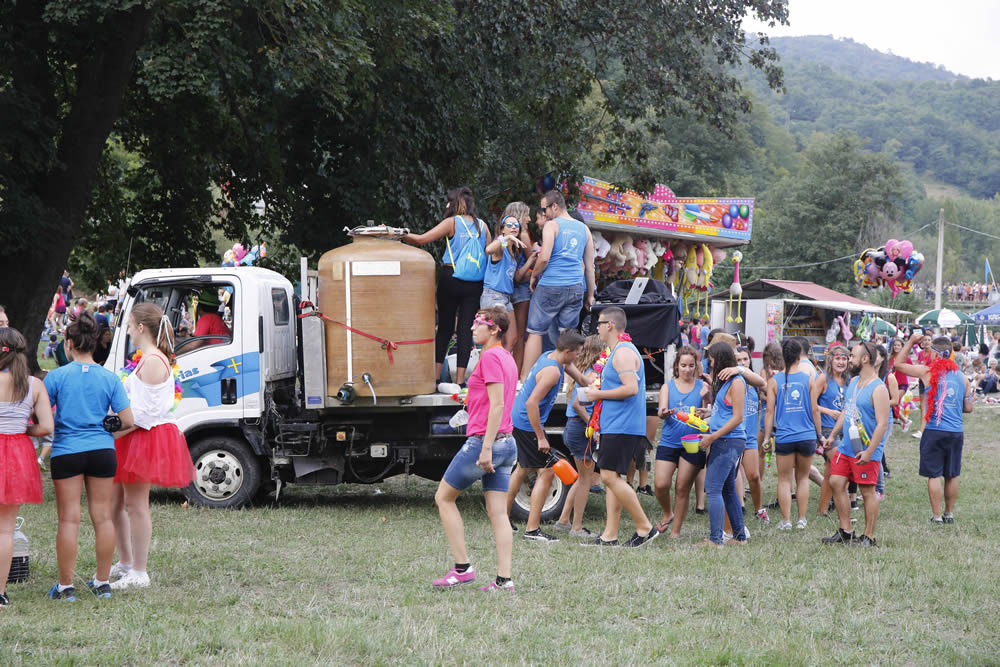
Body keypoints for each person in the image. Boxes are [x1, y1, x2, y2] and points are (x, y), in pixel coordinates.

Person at [43, 312, 134, 601]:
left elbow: (43, 418)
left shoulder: (56, 377)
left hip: (66, 451)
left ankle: (66, 587)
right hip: (102, 452)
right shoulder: (109, 378)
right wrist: (108, 436)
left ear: (68, 343)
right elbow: (128, 420)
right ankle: (102, 582)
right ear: (95, 344)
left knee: (69, 520)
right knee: (103, 517)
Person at [109, 304, 195, 590]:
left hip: (144, 436)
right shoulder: (148, 359)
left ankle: (140, 570)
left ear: (142, 328)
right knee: (116, 505)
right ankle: (126, 561)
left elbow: (144, 414)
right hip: (135, 434)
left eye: (131, 325)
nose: (129, 330)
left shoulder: (153, 361)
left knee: (137, 505)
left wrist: (112, 434)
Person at [432, 307, 518, 592]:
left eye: (478, 324)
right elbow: (497, 399)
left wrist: (486, 449)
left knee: (444, 498)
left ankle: (462, 568)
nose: (472, 328)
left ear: (494, 329)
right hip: (508, 443)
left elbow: (498, 405)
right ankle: (504, 580)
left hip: (487, 442)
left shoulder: (491, 357)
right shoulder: (506, 357)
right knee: (498, 513)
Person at [579, 307, 659, 547]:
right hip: (615, 424)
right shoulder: (614, 352)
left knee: (607, 476)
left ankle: (645, 527)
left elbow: (631, 388)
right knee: (612, 477)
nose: (597, 328)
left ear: (610, 325)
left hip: (623, 425)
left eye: (600, 323)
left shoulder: (623, 352)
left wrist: (597, 395)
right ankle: (609, 534)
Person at [404, 187, 490, 387]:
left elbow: (422, 239)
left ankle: (435, 379)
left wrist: (398, 234)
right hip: (475, 282)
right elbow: (489, 253)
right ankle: (459, 381)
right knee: (466, 330)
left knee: (444, 328)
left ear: (456, 203)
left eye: (449, 202)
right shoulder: (483, 226)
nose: (446, 206)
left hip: (451, 278)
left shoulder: (452, 222)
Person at [505, 331, 584, 541]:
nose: (578, 356)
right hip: (527, 423)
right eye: (577, 353)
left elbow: (569, 366)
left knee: (522, 468)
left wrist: (585, 381)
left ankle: (503, 520)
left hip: (518, 419)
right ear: (567, 351)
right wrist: (541, 437)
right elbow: (532, 403)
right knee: (547, 473)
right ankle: (532, 530)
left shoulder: (550, 355)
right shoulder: (552, 374)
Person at [0, 328, 54, 608]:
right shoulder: (33, 384)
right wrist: (23, 428)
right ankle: (0, 592)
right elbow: (47, 427)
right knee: (5, 530)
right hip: (18, 454)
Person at [894, 333, 972, 524]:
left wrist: (911, 341)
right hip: (956, 432)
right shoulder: (963, 378)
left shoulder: (927, 372)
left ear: (936, 354)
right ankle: (949, 514)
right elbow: (968, 408)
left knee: (934, 474)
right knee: (952, 474)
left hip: (935, 430)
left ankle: (936, 516)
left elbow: (898, 364)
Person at [520, 190, 595, 380]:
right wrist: (590, 294)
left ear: (555, 206)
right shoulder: (583, 229)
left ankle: (526, 379)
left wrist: (533, 275)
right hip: (575, 287)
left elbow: (544, 257)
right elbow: (590, 267)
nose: (543, 214)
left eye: (544, 209)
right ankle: (567, 383)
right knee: (568, 334)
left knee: (536, 331)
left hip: (551, 285)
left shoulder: (552, 225)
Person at [821, 341, 890, 547]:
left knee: (867, 491)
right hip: (846, 446)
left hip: (866, 450)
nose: (849, 359)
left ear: (865, 359)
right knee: (836, 482)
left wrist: (869, 452)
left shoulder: (878, 389)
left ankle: (868, 537)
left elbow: (882, 424)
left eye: (852, 356)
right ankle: (846, 531)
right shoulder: (854, 382)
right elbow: (846, 411)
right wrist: (833, 435)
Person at [763, 338, 822, 531]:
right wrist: (820, 435)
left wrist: (766, 438)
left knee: (784, 479)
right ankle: (802, 519)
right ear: (799, 356)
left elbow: (769, 411)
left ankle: (786, 520)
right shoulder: (808, 379)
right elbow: (815, 410)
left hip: (784, 437)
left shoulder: (774, 381)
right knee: (803, 478)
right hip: (807, 436)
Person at [654, 346, 710, 536]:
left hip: (692, 443)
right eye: (683, 365)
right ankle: (668, 513)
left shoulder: (702, 387)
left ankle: (675, 532)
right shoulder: (667, 387)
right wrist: (664, 413)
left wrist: (706, 398)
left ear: (696, 366)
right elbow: (661, 411)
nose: (687, 369)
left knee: (682, 488)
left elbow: (705, 421)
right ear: (676, 366)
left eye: (691, 366)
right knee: (661, 485)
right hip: (669, 441)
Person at [553, 335, 605, 537]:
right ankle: (577, 527)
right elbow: (577, 405)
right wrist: (594, 426)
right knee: (586, 480)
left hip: (573, 428)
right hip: (579, 430)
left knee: (582, 478)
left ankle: (564, 520)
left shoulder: (584, 372)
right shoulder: (592, 376)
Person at [700, 342, 749, 547]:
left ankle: (715, 540)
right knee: (728, 489)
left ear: (719, 358)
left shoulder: (737, 382)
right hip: (724, 439)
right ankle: (739, 537)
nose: (709, 363)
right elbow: (727, 411)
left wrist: (712, 437)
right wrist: (710, 415)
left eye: (711, 359)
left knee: (712, 489)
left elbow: (737, 417)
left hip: (728, 441)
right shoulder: (725, 381)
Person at [481, 203, 530, 351]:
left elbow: (517, 276)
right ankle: (484, 373)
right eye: (509, 225)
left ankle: (501, 371)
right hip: (493, 296)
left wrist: (532, 260)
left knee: (513, 338)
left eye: (516, 225)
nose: (514, 227)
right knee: (492, 341)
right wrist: (506, 237)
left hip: (506, 298)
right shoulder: (500, 247)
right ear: (502, 228)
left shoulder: (511, 251)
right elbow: (488, 250)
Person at [813, 344, 850, 519]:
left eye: (844, 358)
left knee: (830, 470)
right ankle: (840, 503)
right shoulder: (823, 379)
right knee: (840, 465)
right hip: (827, 430)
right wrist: (827, 411)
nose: (841, 362)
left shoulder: (850, 380)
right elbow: (810, 404)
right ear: (831, 359)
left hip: (846, 430)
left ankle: (823, 509)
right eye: (838, 358)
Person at [732, 346, 767, 523]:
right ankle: (739, 506)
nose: (743, 363)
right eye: (738, 360)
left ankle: (759, 508)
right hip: (734, 435)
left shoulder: (754, 382)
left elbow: (767, 388)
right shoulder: (732, 381)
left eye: (745, 359)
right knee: (735, 471)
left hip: (751, 437)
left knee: (753, 475)